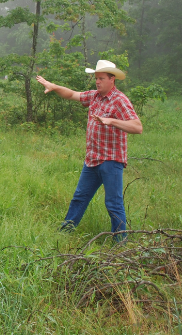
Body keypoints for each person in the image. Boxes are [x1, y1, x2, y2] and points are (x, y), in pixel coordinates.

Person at [35, 60, 142, 239]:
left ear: (112, 79)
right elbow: (72, 95)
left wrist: (112, 121)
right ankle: (64, 233)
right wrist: (54, 87)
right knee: (79, 197)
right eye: (96, 78)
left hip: (111, 160)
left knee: (113, 203)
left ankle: (120, 243)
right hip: (92, 159)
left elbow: (137, 127)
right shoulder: (95, 96)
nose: (97, 82)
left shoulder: (119, 100)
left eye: (101, 78)